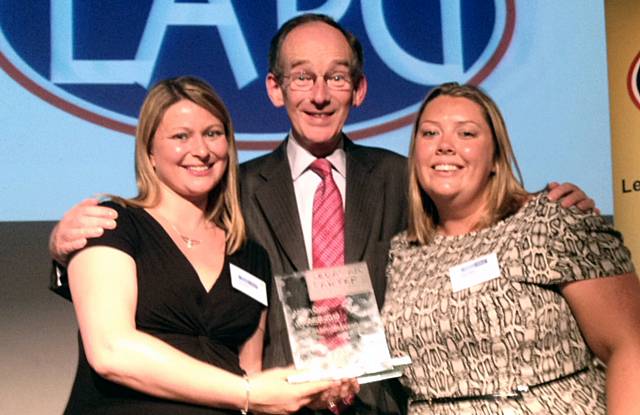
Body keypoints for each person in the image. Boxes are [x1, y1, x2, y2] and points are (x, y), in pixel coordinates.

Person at [49, 14, 596, 415]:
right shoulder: (230, 190)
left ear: (358, 90)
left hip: (386, 404)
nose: (318, 94)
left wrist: (546, 199)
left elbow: (477, 201)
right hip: (281, 404)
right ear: (275, 88)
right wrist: (61, 248)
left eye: (336, 77)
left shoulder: (404, 176)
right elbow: (156, 240)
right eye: (301, 77)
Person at [62, 76, 351, 414]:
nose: (201, 151)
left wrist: (303, 389)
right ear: (150, 151)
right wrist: (247, 392)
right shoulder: (112, 224)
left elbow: (251, 372)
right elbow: (111, 350)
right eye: (181, 136)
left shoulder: (250, 256)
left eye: (213, 134)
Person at [381, 82, 640, 414]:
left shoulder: (550, 222)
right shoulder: (403, 252)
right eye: (430, 134)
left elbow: (629, 344)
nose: (445, 146)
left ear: (495, 157)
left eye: (466, 134)